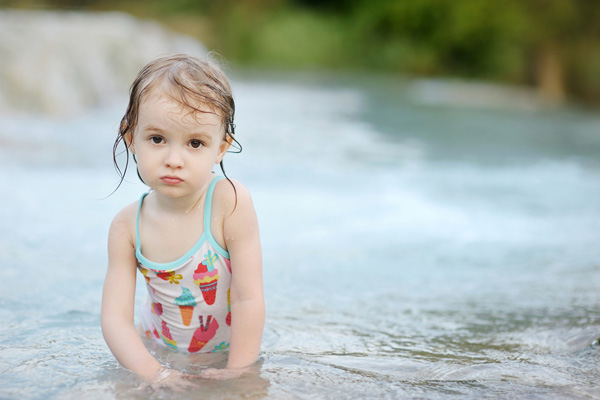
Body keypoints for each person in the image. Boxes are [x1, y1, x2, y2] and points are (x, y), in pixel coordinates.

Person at [101, 54, 265, 389]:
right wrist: (154, 372)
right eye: (157, 139)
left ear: (221, 148)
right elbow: (115, 318)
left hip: (228, 352)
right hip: (157, 351)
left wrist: (239, 371)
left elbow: (249, 298)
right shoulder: (127, 225)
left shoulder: (228, 202)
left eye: (195, 143)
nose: (174, 160)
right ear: (131, 137)